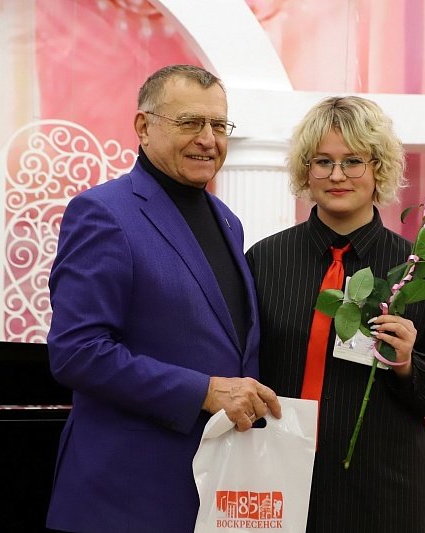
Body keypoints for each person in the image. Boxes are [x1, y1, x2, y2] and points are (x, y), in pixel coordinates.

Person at [45, 64, 281, 533]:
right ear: (143, 127)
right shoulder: (102, 212)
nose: (207, 139)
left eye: (218, 125)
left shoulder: (228, 221)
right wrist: (204, 391)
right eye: (190, 122)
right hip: (124, 499)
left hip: (213, 496)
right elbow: (76, 353)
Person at [246, 96, 425, 532]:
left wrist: (407, 365)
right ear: (305, 170)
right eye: (323, 162)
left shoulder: (418, 271)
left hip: (385, 490)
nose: (337, 175)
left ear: (379, 169)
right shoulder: (264, 260)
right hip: (275, 481)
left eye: (353, 161)